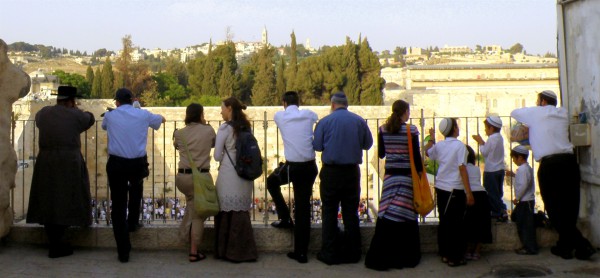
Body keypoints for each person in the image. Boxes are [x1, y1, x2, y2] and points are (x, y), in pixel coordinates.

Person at [511, 90, 596, 260]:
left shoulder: (536, 113)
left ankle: (582, 245)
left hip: (551, 165)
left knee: (555, 209)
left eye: (538, 101)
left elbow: (515, 113)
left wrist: (530, 123)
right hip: (569, 162)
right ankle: (564, 247)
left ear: (542, 101)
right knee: (570, 208)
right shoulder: (563, 113)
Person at [26, 86, 95, 258]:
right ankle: (57, 245)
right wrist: (77, 109)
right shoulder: (76, 115)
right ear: (71, 101)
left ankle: (54, 242)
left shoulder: (43, 113)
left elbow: (38, 120)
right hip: (68, 162)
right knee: (68, 198)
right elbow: (90, 119)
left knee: (49, 199)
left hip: (46, 161)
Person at [102, 88, 166, 263]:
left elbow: (104, 126)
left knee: (118, 204)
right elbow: (161, 120)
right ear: (133, 100)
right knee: (136, 189)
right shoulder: (143, 114)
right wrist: (139, 110)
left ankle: (123, 250)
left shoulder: (110, 116)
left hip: (116, 164)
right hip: (137, 164)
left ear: (117, 102)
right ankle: (133, 222)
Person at [313, 92, 373, 265]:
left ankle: (329, 253)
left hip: (331, 172)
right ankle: (353, 252)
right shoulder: (359, 121)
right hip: (351, 172)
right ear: (347, 104)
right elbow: (367, 144)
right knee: (350, 213)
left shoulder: (325, 122)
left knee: (329, 212)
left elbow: (317, 146)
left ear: (332, 105)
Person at [364, 100, 422, 271]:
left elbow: (382, 154)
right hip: (406, 177)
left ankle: (382, 255)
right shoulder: (411, 130)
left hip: (390, 177)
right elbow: (416, 157)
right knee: (406, 214)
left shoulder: (383, 129)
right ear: (405, 112)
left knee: (388, 213)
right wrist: (419, 174)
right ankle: (406, 256)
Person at [266, 91, 318, 263]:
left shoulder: (280, 116)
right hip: (309, 167)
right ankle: (301, 252)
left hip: (292, 167)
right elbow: (315, 116)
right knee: (303, 208)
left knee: (271, 182)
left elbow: (281, 117)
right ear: (299, 102)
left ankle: (285, 217)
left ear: (283, 103)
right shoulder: (309, 115)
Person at [213, 97, 258, 263]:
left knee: (226, 212)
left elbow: (217, 156)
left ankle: (226, 252)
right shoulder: (246, 127)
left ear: (230, 108)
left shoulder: (224, 128)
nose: (221, 111)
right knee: (240, 213)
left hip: (228, 174)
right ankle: (244, 252)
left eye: (222, 108)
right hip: (244, 175)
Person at [424, 118, 474, 267]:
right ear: (453, 129)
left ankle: (445, 253)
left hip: (441, 187)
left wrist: (431, 139)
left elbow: (429, 153)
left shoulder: (440, 145)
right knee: (456, 224)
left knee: (445, 222)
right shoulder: (460, 147)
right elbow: (462, 168)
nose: (458, 129)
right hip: (455, 189)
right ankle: (455, 257)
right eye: (457, 126)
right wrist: (469, 192)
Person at [173, 103, 216, 262]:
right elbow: (213, 144)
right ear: (200, 114)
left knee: (192, 207)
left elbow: (176, 146)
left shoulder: (179, 133)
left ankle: (185, 235)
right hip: (200, 179)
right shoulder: (209, 130)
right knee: (198, 216)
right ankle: (193, 252)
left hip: (182, 178)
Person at [472, 116, 507, 222]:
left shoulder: (491, 139)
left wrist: (481, 142)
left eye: (486, 128)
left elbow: (485, 152)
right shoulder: (500, 138)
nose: (485, 130)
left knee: (491, 193)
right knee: (498, 192)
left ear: (491, 128)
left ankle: (499, 211)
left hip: (491, 170)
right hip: (500, 169)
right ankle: (501, 210)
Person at [506, 145, 538, 255]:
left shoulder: (524, 170)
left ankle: (530, 247)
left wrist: (517, 198)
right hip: (525, 201)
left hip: (525, 201)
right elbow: (522, 180)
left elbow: (523, 184)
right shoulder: (525, 169)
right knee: (521, 222)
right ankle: (527, 246)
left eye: (514, 158)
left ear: (520, 157)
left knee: (525, 225)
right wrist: (514, 175)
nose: (513, 161)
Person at [464, 145, 492, 261]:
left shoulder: (462, 168)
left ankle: (468, 250)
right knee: (482, 224)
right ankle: (477, 251)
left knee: (468, 224)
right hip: (482, 195)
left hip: (470, 195)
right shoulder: (476, 168)